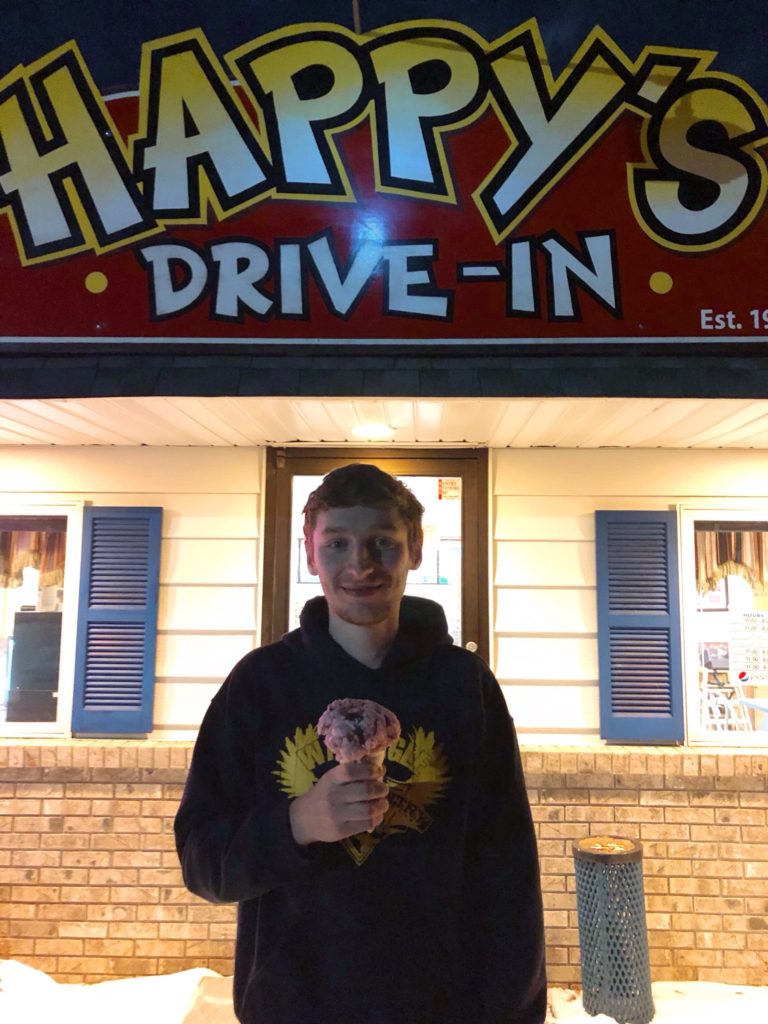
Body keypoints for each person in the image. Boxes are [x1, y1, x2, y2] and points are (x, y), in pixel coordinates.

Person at [174, 463, 547, 1024]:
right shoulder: (260, 685)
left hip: (442, 1007)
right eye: (338, 544)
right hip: (292, 1005)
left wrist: (516, 1011)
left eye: (382, 543)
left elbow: (508, 871)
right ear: (309, 552)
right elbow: (202, 862)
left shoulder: (464, 686)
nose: (360, 565)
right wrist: (298, 823)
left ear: (416, 548)